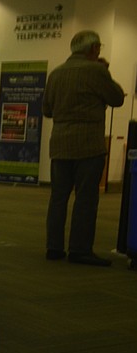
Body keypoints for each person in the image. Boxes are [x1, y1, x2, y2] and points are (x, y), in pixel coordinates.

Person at [43, 30, 124, 266]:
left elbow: (47, 110)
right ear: (94, 49)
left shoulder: (56, 73)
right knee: (86, 199)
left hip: (59, 144)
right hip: (88, 144)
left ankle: (54, 247)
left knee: (58, 197)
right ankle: (79, 249)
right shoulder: (97, 71)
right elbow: (117, 98)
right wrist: (106, 71)